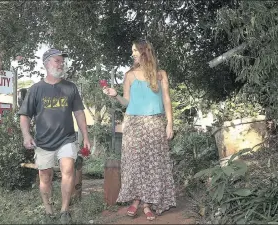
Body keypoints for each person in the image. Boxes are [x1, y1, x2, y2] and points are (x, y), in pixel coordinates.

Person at [102, 39, 176, 220]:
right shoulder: (130, 75)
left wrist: (170, 124)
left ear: (145, 52)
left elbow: (167, 100)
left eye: (135, 50)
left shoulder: (160, 74)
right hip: (133, 123)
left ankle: (147, 203)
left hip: (155, 123)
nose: (133, 53)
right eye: (132, 51)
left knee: (153, 164)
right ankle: (135, 200)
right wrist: (116, 95)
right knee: (134, 162)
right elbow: (126, 102)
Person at [18, 48, 91, 224]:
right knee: (45, 176)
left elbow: (79, 113)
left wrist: (86, 136)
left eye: (61, 61)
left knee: (68, 170)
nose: (61, 63)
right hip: (43, 141)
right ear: (46, 64)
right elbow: (24, 115)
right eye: (57, 60)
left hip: (66, 138)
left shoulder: (70, 87)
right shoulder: (36, 89)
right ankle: (48, 209)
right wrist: (26, 135)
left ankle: (64, 210)